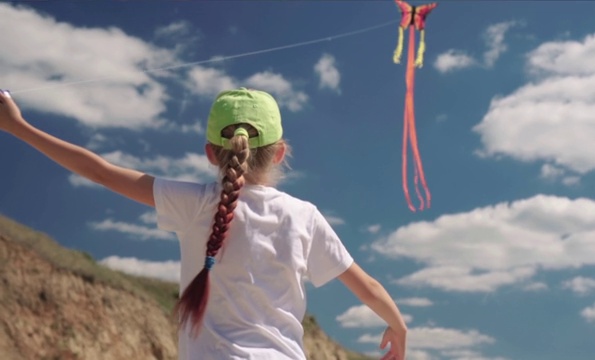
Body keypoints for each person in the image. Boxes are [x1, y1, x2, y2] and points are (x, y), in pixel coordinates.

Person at [0, 87, 407, 360]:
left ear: (212, 153)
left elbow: (101, 172)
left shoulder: (194, 203)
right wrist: (397, 325)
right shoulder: (304, 217)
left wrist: (17, 126)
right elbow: (367, 287)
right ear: (281, 152)